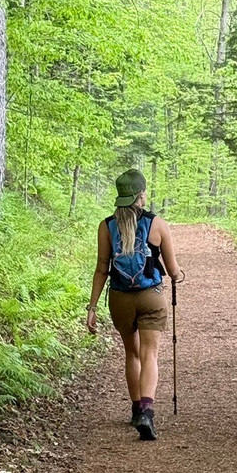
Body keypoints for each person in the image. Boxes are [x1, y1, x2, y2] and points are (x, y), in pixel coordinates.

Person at [86, 169, 183, 440]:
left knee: (133, 353)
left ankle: (135, 408)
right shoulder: (157, 224)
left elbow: (101, 268)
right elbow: (173, 270)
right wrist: (178, 276)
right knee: (150, 353)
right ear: (141, 195)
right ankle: (147, 412)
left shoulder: (106, 226)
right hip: (151, 295)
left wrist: (92, 307)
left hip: (119, 298)